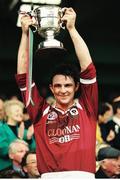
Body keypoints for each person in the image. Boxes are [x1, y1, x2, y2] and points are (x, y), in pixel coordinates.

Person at [15, 7, 98, 178]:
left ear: (76, 87)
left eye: (67, 85)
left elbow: (88, 68)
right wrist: (25, 35)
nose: (62, 90)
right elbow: (23, 76)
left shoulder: (88, 107)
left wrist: (72, 29)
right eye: (58, 86)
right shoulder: (40, 111)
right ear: (51, 88)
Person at [0, 99, 35, 172]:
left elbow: (33, 151)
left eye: (21, 111)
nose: (20, 113)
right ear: (7, 113)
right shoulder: (1, 129)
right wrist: (19, 140)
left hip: (24, 171)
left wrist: (29, 138)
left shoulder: (25, 131)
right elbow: (3, 151)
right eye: (17, 111)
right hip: (5, 171)